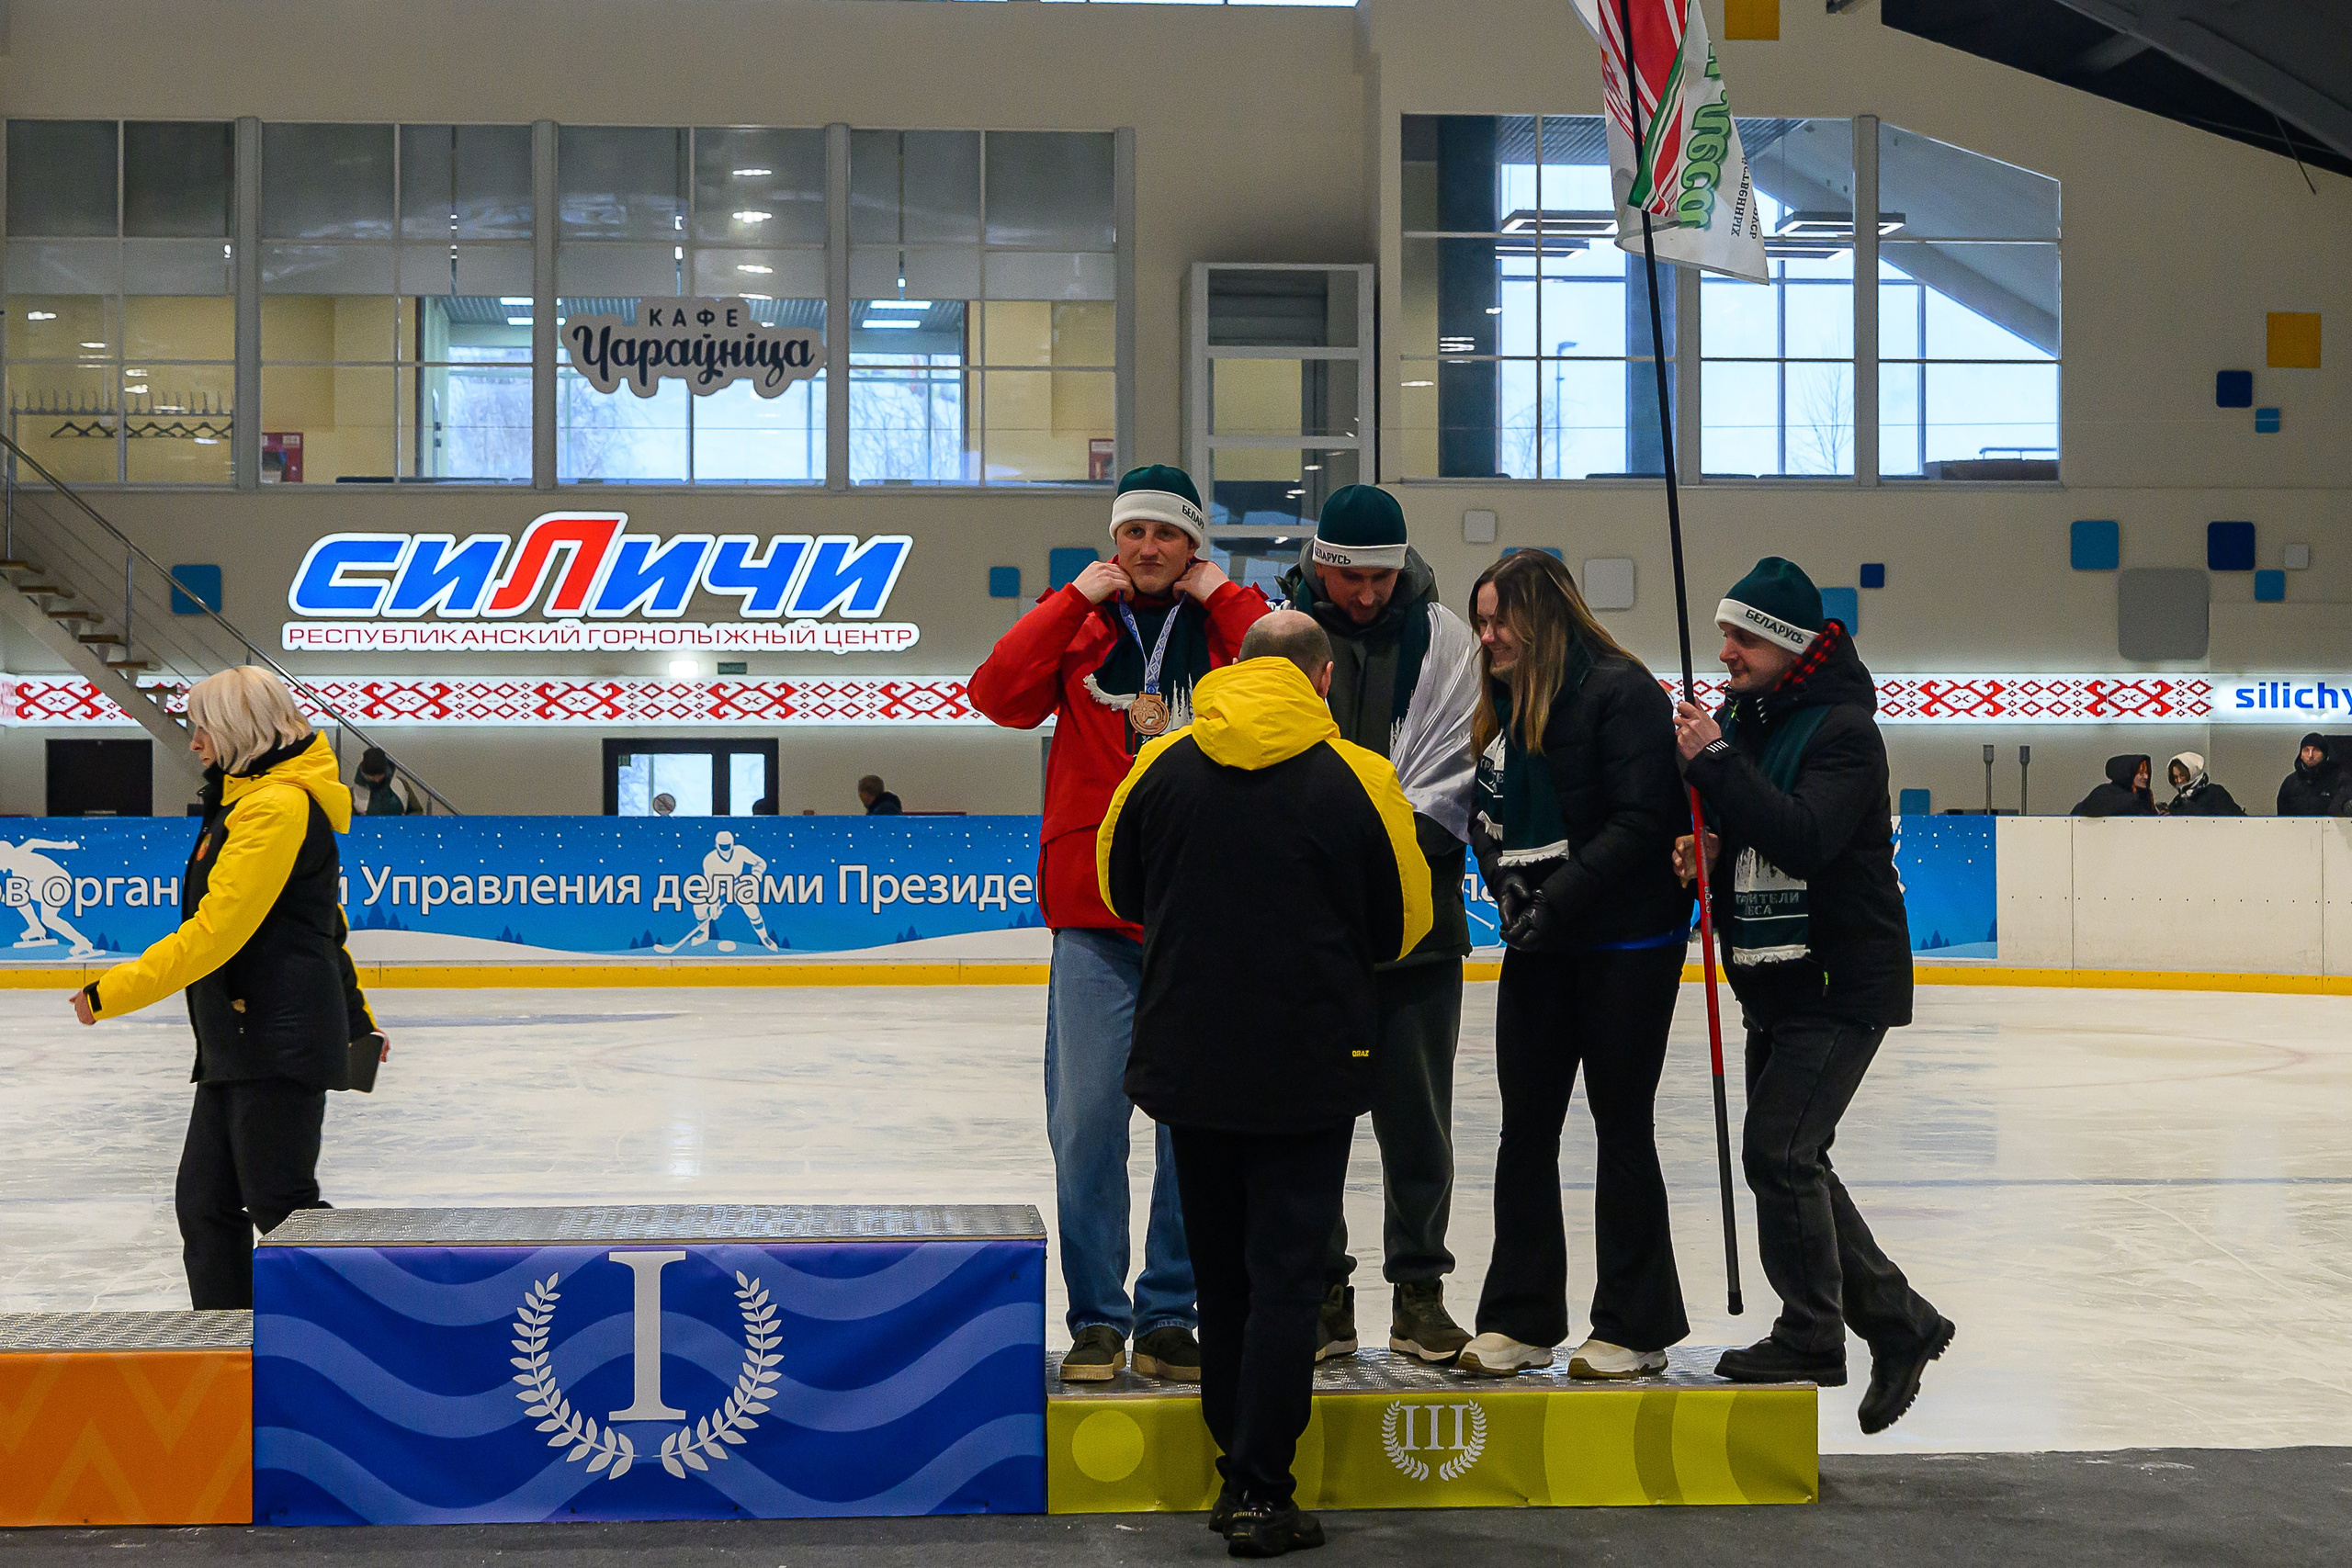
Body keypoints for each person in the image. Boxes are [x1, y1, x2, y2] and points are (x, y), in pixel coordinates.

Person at [1101, 611, 1430, 1556]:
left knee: (1220, 1277)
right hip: (1308, 1066)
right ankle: (1260, 1487)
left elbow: (1118, 887)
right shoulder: (1361, 776)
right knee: (1286, 1278)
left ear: (1230, 669)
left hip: (1189, 1061)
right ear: (1320, 682)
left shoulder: (1159, 765)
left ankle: (1229, 1472)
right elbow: (1401, 923)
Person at [968, 463, 1269, 1384]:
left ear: (1192, 548)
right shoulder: (1081, 627)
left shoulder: (1223, 633)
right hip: (1095, 915)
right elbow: (994, 694)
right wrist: (1066, 601)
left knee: (1193, 1123)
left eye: (1167, 536)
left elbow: (1293, 675)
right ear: (1114, 543)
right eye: (1132, 534)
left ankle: (1170, 1312)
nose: (1147, 550)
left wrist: (1222, 595)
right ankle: (1099, 1317)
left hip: (1202, 911)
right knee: (1089, 1118)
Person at [1671, 558, 1953, 1435]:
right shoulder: (1753, 724)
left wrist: (1714, 762)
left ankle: (1812, 1331)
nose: (1726, 654)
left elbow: (1806, 834)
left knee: (1780, 1153)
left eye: (1743, 638)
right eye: (1723, 635)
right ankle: (1899, 1322)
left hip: (1839, 978)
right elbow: (1755, 828)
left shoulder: (1841, 733)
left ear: (1788, 646)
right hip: (1779, 981)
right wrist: (1711, 852)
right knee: (1795, 1155)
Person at [68, 667, 382, 1311]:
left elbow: (216, 932)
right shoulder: (248, 799)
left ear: (239, 728)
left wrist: (111, 991)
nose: (193, 742)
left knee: (279, 1202)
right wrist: (357, 1020)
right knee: (207, 1204)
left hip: (277, 1035)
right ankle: (231, 1350)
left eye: (201, 727)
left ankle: (368, 1323)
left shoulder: (277, 806)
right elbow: (324, 925)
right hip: (241, 1037)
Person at [1454, 550, 1695, 1381]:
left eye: (1500, 620)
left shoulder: (1622, 692)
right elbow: (1484, 816)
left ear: (1546, 614)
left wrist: (1556, 899)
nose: (1488, 637)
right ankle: (1520, 1315)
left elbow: (1640, 821)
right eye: (1481, 622)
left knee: (1621, 1122)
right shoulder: (1501, 701)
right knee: (1526, 1127)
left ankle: (1636, 1320)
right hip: (1544, 945)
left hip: (1627, 944)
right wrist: (1510, 891)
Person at [1277, 484, 1480, 1366]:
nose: (1366, 594)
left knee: (1418, 1123)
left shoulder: (1444, 642)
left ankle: (1420, 1293)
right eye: (1351, 575)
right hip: (1309, 936)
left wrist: (1372, 861)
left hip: (1418, 934)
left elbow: (1454, 781)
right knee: (1311, 1121)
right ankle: (1324, 1295)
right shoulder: (1278, 636)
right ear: (1320, 561)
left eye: (1382, 577)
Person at [2162, 752, 2244, 817]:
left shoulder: (2215, 793)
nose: (2179, 780)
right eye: (2175, 777)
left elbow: (2236, 821)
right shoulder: (2178, 801)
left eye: (2182, 775)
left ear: (2192, 773)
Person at [2277, 734, 2339, 817]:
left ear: (2324, 754)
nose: (2310, 755)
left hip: (2330, 828)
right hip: (2295, 828)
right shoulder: (2290, 782)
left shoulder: (2337, 780)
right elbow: (2282, 816)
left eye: (2315, 750)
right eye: (2306, 750)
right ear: (2301, 755)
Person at [2073, 755, 2154, 817]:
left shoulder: (2143, 797)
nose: (2146, 777)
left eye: (2147, 773)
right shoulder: (2104, 793)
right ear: (2128, 773)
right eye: (2140, 773)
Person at [350, 746, 418, 816]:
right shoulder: (353, 793)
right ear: (364, 774)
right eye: (372, 776)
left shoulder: (401, 785)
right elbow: (349, 819)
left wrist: (406, 821)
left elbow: (417, 811)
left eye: (380, 775)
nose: (377, 780)